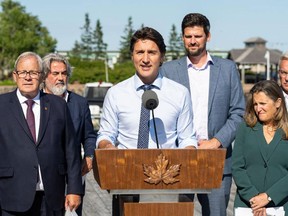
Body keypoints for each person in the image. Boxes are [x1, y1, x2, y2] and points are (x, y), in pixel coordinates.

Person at [96, 26, 197, 216]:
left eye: (152, 52)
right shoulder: (116, 93)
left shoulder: (179, 93)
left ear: (162, 56)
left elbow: (187, 138)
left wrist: (189, 156)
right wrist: (107, 147)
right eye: (139, 52)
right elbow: (105, 134)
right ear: (132, 56)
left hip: (168, 184)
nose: (145, 59)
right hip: (125, 181)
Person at [160, 13, 245, 216]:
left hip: (216, 160)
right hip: (178, 159)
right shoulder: (168, 70)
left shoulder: (227, 69)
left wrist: (216, 141)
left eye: (197, 36)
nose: (192, 41)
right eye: (188, 36)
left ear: (208, 36)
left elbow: (238, 112)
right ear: (182, 37)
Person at [0, 52, 82, 215]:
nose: (27, 77)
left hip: (51, 196)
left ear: (42, 75)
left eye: (33, 72)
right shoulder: (1, 106)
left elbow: (71, 151)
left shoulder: (58, 105)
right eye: (23, 72)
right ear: (15, 76)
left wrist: (74, 189)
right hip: (11, 195)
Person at [42, 53, 97, 216]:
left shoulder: (79, 104)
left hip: (73, 176)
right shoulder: (36, 102)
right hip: (42, 177)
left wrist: (89, 156)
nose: (60, 78)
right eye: (55, 73)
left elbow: (89, 135)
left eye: (64, 73)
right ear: (44, 75)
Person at [232, 80, 288, 216]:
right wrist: (255, 198)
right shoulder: (245, 128)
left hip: (281, 206)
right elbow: (237, 167)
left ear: (278, 103)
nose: (258, 108)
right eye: (255, 104)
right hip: (247, 206)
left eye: (263, 103)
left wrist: (268, 197)